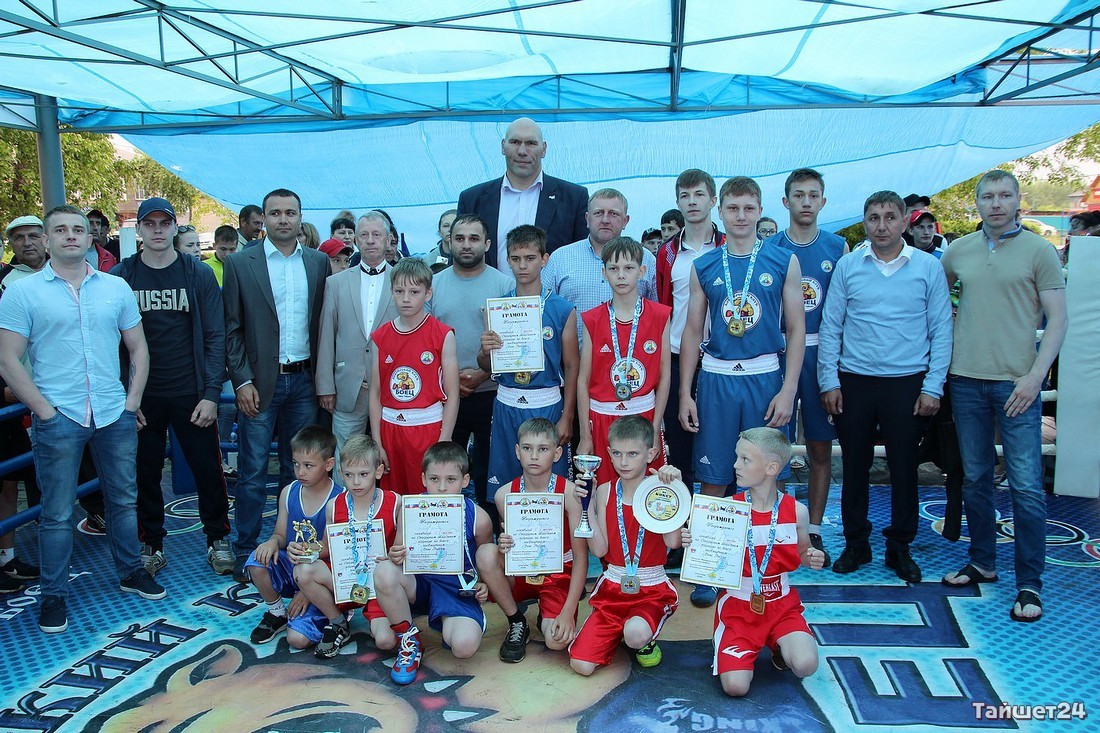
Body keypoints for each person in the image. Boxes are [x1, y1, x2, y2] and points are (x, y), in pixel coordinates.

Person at [0, 204, 165, 634]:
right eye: (60, 230)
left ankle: (131, 571)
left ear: (90, 238)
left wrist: (131, 401)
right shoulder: (22, 293)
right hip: (59, 417)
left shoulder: (116, 287)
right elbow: (7, 359)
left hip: (113, 413)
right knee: (56, 513)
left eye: (78, 229)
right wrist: (43, 410)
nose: (70, 235)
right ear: (47, 239)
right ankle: (53, 595)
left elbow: (139, 348)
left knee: (123, 500)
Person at [940, 169, 1067, 623]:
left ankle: (1030, 583)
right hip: (965, 380)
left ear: (1018, 200)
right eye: (988, 196)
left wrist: (1036, 378)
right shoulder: (957, 251)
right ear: (976, 203)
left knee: (1026, 486)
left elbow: (1057, 320)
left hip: (1018, 384)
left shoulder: (1040, 250)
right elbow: (936, 303)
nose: (996, 203)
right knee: (975, 478)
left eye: (1004, 195)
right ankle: (983, 561)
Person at [678, 176, 805, 608]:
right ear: (721, 211)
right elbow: (692, 330)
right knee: (714, 478)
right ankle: (709, 569)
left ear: (760, 210)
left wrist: (789, 390)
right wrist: (685, 393)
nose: (741, 216)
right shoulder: (704, 265)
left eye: (749, 208)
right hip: (716, 379)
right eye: (733, 208)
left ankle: (764, 567)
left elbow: (797, 329)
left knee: (764, 477)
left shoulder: (783, 260)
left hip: (764, 377)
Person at [818, 190, 953, 583]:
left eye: (890, 217)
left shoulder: (927, 267)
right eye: (874, 218)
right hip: (855, 381)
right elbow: (831, 327)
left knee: (904, 467)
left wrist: (933, 386)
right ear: (864, 222)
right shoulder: (848, 266)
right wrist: (829, 380)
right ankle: (856, 543)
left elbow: (942, 329)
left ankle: (900, 546)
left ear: (904, 221)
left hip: (908, 383)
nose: (882, 226)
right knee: (854, 466)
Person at [112, 196, 234, 578]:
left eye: (164, 223)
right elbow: (109, 342)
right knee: (144, 472)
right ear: (139, 229)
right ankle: (151, 543)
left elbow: (215, 335)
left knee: (208, 469)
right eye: (150, 224)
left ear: (174, 227)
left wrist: (211, 393)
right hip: (142, 394)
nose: (158, 230)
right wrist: (126, 396)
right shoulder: (122, 275)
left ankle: (218, 538)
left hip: (190, 390)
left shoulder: (197, 273)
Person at [223, 188, 331, 582]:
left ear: (300, 217)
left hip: (304, 381)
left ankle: (290, 550)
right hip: (259, 385)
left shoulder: (318, 262)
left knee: (298, 470)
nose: (283, 219)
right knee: (252, 471)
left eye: (290, 212)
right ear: (263, 219)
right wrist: (242, 381)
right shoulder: (240, 263)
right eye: (275, 213)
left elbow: (324, 324)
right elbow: (231, 329)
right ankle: (246, 549)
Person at [683, 427, 826, 697]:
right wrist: (692, 542)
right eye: (737, 457)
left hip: (781, 604)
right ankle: (730, 644)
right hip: (739, 605)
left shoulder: (797, 511)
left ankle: (779, 645)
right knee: (736, 687)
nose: (735, 465)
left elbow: (803, 553)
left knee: (806, 664)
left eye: (745, 459)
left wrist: (812, 557)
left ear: (771, 468)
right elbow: (706, 557)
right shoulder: (726, 509)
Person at [768, 167, 848, 565]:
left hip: (822, 354)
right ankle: (777, 527)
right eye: (798, 195)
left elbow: (844, 308)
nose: (805, 202)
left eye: (812, 195)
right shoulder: (770, 248)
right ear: (786, 201)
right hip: (779, 353)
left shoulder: (838, 246)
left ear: (823, 201)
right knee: (773, 445)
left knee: (819, 446)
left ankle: (813, 530)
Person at [569, 416, 683, 674]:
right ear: (608, 453)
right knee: (581, 665)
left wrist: (673, 490)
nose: (623, 462)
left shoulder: (659, 490)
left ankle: (643, 639)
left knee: (635, 634)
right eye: (617, 454)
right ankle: (620, 630)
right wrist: (586, 506)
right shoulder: (604, 491)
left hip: (651, 589)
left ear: (650, 454)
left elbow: (673, 542)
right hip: (613, 588)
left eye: (633, 454)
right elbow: (599, 550)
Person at [375, 441, 493, 685]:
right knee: (384, 570)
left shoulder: (479, 517)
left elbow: (484, 561)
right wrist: (396, 554)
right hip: (420, 584)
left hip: (455, 589)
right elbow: (397, 551)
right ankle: (409, 641)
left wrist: (483, 584)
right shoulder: (410, 509)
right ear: (423, 479)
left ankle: (455, 623)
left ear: (465, 480)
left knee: (463, 647)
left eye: (451, 480)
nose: (441, 487)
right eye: (434, 479)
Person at [476, 418, 586, 663]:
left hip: (558, 573)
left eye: (543, 449)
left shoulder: (570, 493)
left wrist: (568, 612)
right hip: (521, 571)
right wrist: (503, 547)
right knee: (486, 553)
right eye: (527, 448)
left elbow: (581, 557)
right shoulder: (504, 495)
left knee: (556, 641)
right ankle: (517, 621)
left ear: (557, 454)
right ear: (518, 451)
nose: (534, 456)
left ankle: (550, 612)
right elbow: (509, 550)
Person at [477, 225, 578, 493]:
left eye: (530, 258)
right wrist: (485, 350)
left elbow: (572, 366)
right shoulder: (497, 308)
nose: (522, 266)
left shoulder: (562, 309)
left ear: (544, 259)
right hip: (507, 403)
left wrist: (568, 416)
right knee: (505, 485)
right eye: (516, 258)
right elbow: (486, 365)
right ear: (507, 260)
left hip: (547, 404)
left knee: (551, 487)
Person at [429, 214, 513, 521]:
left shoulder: (505, 285)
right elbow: (426, 342)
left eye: (474, 239)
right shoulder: (433, 285)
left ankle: (488, 532)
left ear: (487, 244)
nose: (466, 245)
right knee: (445, 469)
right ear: (449, 242)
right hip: (445, 396)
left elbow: (513, 342)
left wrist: (483, 375)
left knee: (488, 471)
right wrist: (452, 380)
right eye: (460, 238)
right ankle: (445, 531)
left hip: (492, 393)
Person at [294, 434, 402, 658]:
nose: (356, 482)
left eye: (363, 474)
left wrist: (396, 555)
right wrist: (305, 550)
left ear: (378, 471)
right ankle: (338, 622)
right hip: (345, 580)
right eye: (349, 475)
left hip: (379, 585)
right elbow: (326, 547)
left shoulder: (395, 502)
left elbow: (401, 550)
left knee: (385, 641)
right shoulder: (334, 506)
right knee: (303, 570)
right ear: (340, 472)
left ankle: (376, 618)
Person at [579, 237, 671, 488]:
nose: (621, 275)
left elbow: (664, 376)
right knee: (602, 491)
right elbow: (583, 379)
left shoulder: (660, 315)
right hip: (602, 418)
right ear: (604, 273)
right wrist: (585, 434)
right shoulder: (592, 319)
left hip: (644, 416)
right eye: (613, 268)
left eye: (628, 268)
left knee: (647, 491)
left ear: (641, 271)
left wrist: (655, 427)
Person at [655, 169, 724, 495]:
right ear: (678, 202)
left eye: (699, 195)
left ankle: (718, 520)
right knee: (679, 450)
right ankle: (680, 522)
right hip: (676, 358)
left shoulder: (729, 245)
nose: (692, 202)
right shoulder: (667, 252)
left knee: (719, 447)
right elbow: (662, 305)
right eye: (685, 196)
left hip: (720, 361)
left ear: (713, 200)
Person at [244, 425, 343, 649]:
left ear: (328, 464)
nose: (300, 472)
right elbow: (281, 534)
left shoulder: (338, 499)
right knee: (257, 559)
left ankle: (337, 615)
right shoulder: (289, 492)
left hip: (320, 576)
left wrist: (307, 591)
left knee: (297, 640)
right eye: (296, 464)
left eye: (308, 465)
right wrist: (272, 542)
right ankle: (277, 612)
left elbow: (334, 553)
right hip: (294, 566)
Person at [369, 258, 460, 495]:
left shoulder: (442, 335)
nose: (406, 298)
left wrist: (444, 440)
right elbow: (375, 393)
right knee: (394, 499)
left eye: (414, 292)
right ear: (391, 292)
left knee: (427, 499)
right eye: (399, 291)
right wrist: (377, 442)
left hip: (428, 428)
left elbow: (453, 394)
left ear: (428, 293)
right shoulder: (380, 337)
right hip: (390, 429)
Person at [457, 117, 589, 271]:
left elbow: (582, 257)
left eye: (531, 143)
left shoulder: (574, 198)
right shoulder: (471, 199)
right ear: (503, 146)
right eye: (515, 142)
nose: (522, 151)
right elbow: (460, 258)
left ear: (544, 149)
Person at [315, 213, 398, 452]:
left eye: (376, 235)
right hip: (348, 388)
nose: (370, 240)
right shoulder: (336, 283)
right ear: (356, 240)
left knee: (391, 454)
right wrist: (325, 386)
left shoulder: (402, 281)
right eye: (364, 235)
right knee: (345, 457)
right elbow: (326, 337)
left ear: (388, 239)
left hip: (391, 387)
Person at [544, 189, 658, 344]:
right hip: (574, 356)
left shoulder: (646, 259)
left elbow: (657, 314)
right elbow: (544, 310)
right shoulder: (560, 258)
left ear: (625, 221)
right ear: (587, 218)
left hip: (632, 357)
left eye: (613, 214)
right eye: (598, 213)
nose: (605, 220)